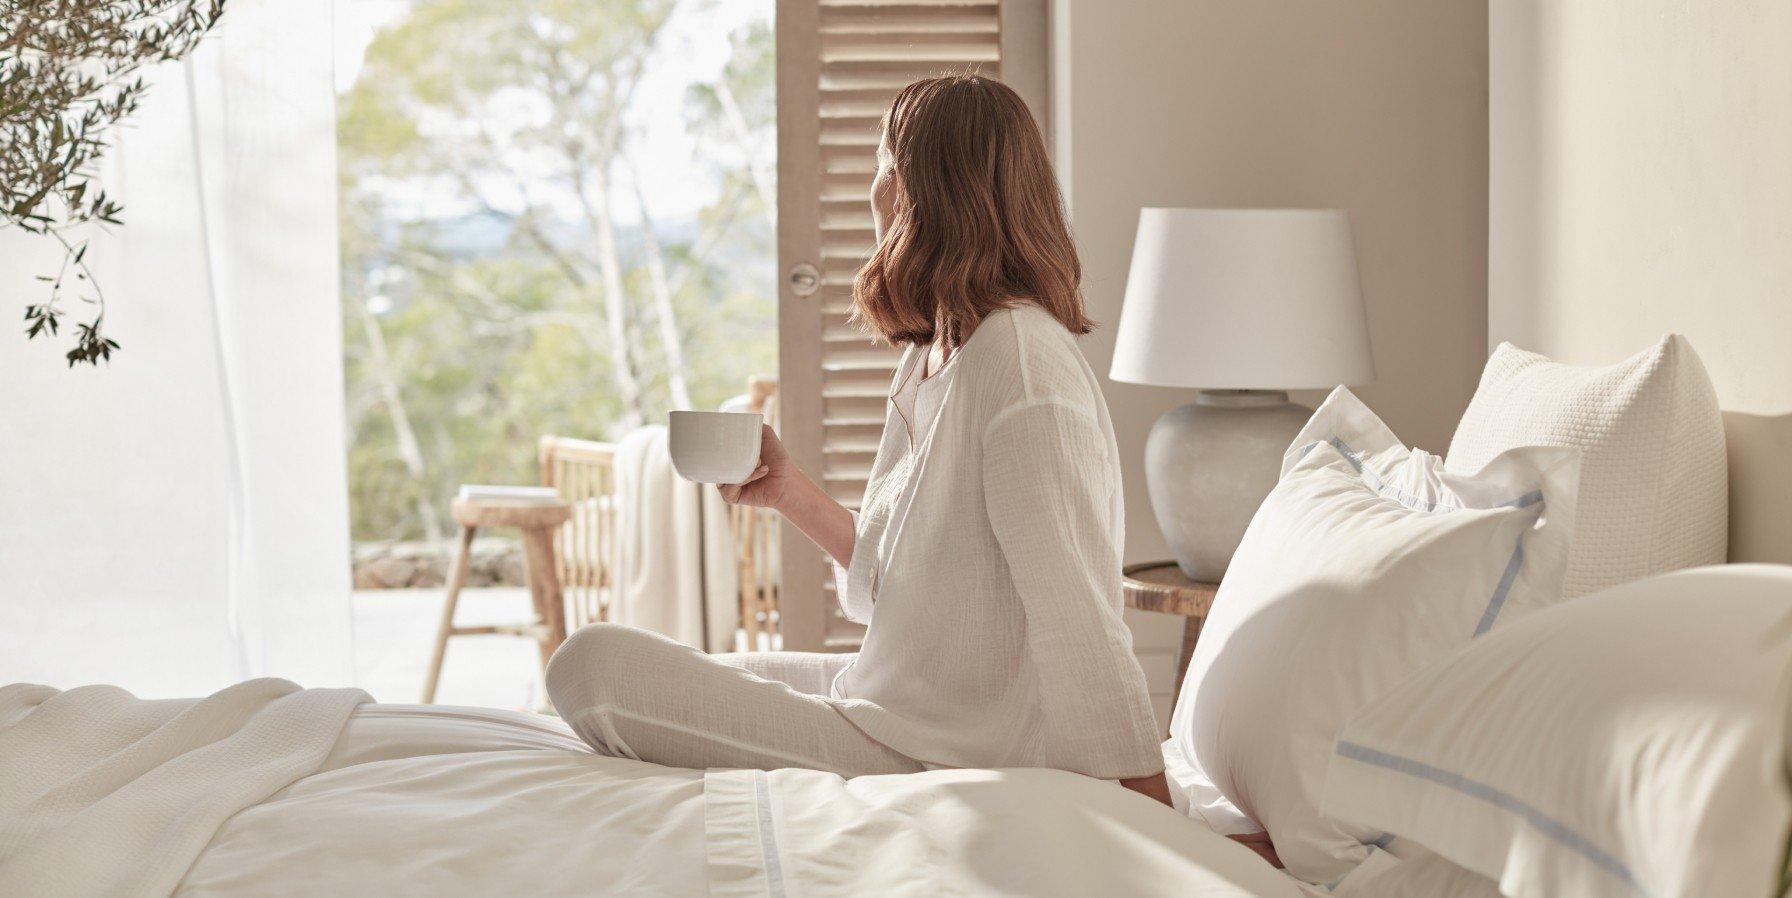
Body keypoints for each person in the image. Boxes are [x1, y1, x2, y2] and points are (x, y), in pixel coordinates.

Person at [545, 74, 1170, 805]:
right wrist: (790, 493)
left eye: (881, 163)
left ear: (910, 191)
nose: (873, 188)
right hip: (893, 705)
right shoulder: (936, 354)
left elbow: (1078, 615)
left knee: (593, 666)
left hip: (945, 752)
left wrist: (1158, 814)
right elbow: (899, 593)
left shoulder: (1021, 366)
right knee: (690, 667)